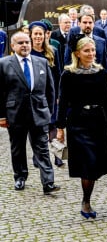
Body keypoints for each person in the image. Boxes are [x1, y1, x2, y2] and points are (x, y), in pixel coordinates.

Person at [55, 36, 107, 219]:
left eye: (93, 50)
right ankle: (86, 202)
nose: (91, 54)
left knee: (96, 165)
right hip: (78, 122)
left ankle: (87, 197)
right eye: (86, 51)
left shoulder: (100, 73)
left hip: (97, 122)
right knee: (87, 163)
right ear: (77, 54)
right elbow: (63, 102)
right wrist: (60, 127)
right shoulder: (68, 74)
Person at [0, 31, 60, 195]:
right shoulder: (4, 64)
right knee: (17, 149)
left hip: (39, 113)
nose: (25, 45)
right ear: (13, 46)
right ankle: (20, 177)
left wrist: (50, 113)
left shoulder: (41, 62)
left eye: (27, 42)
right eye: (20, 43)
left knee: (42, 149)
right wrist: (2, 116)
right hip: (15, 114)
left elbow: (50, 90)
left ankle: (48, 182)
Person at [29, 21, 63, 167]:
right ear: (30, 35)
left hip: (50, 95)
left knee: (52, 125)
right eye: (35, 34)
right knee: (36, 127)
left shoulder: (52, 51)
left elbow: (59, 74)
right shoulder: (27, 52)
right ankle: (38, 155)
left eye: (40, 34)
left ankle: (57, 154)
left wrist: (58, 95)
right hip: (33, 97)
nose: (38, 37)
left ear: (45, 35)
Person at [64, 11, 107, 78]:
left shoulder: (101, 42)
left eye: (90, 23)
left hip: (97, 77)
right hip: (77, 77)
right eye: (84, 22)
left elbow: (106, 58)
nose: (87, 25)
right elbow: (67, 57)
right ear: (79, 23)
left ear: (93, 24)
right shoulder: (73, 39)